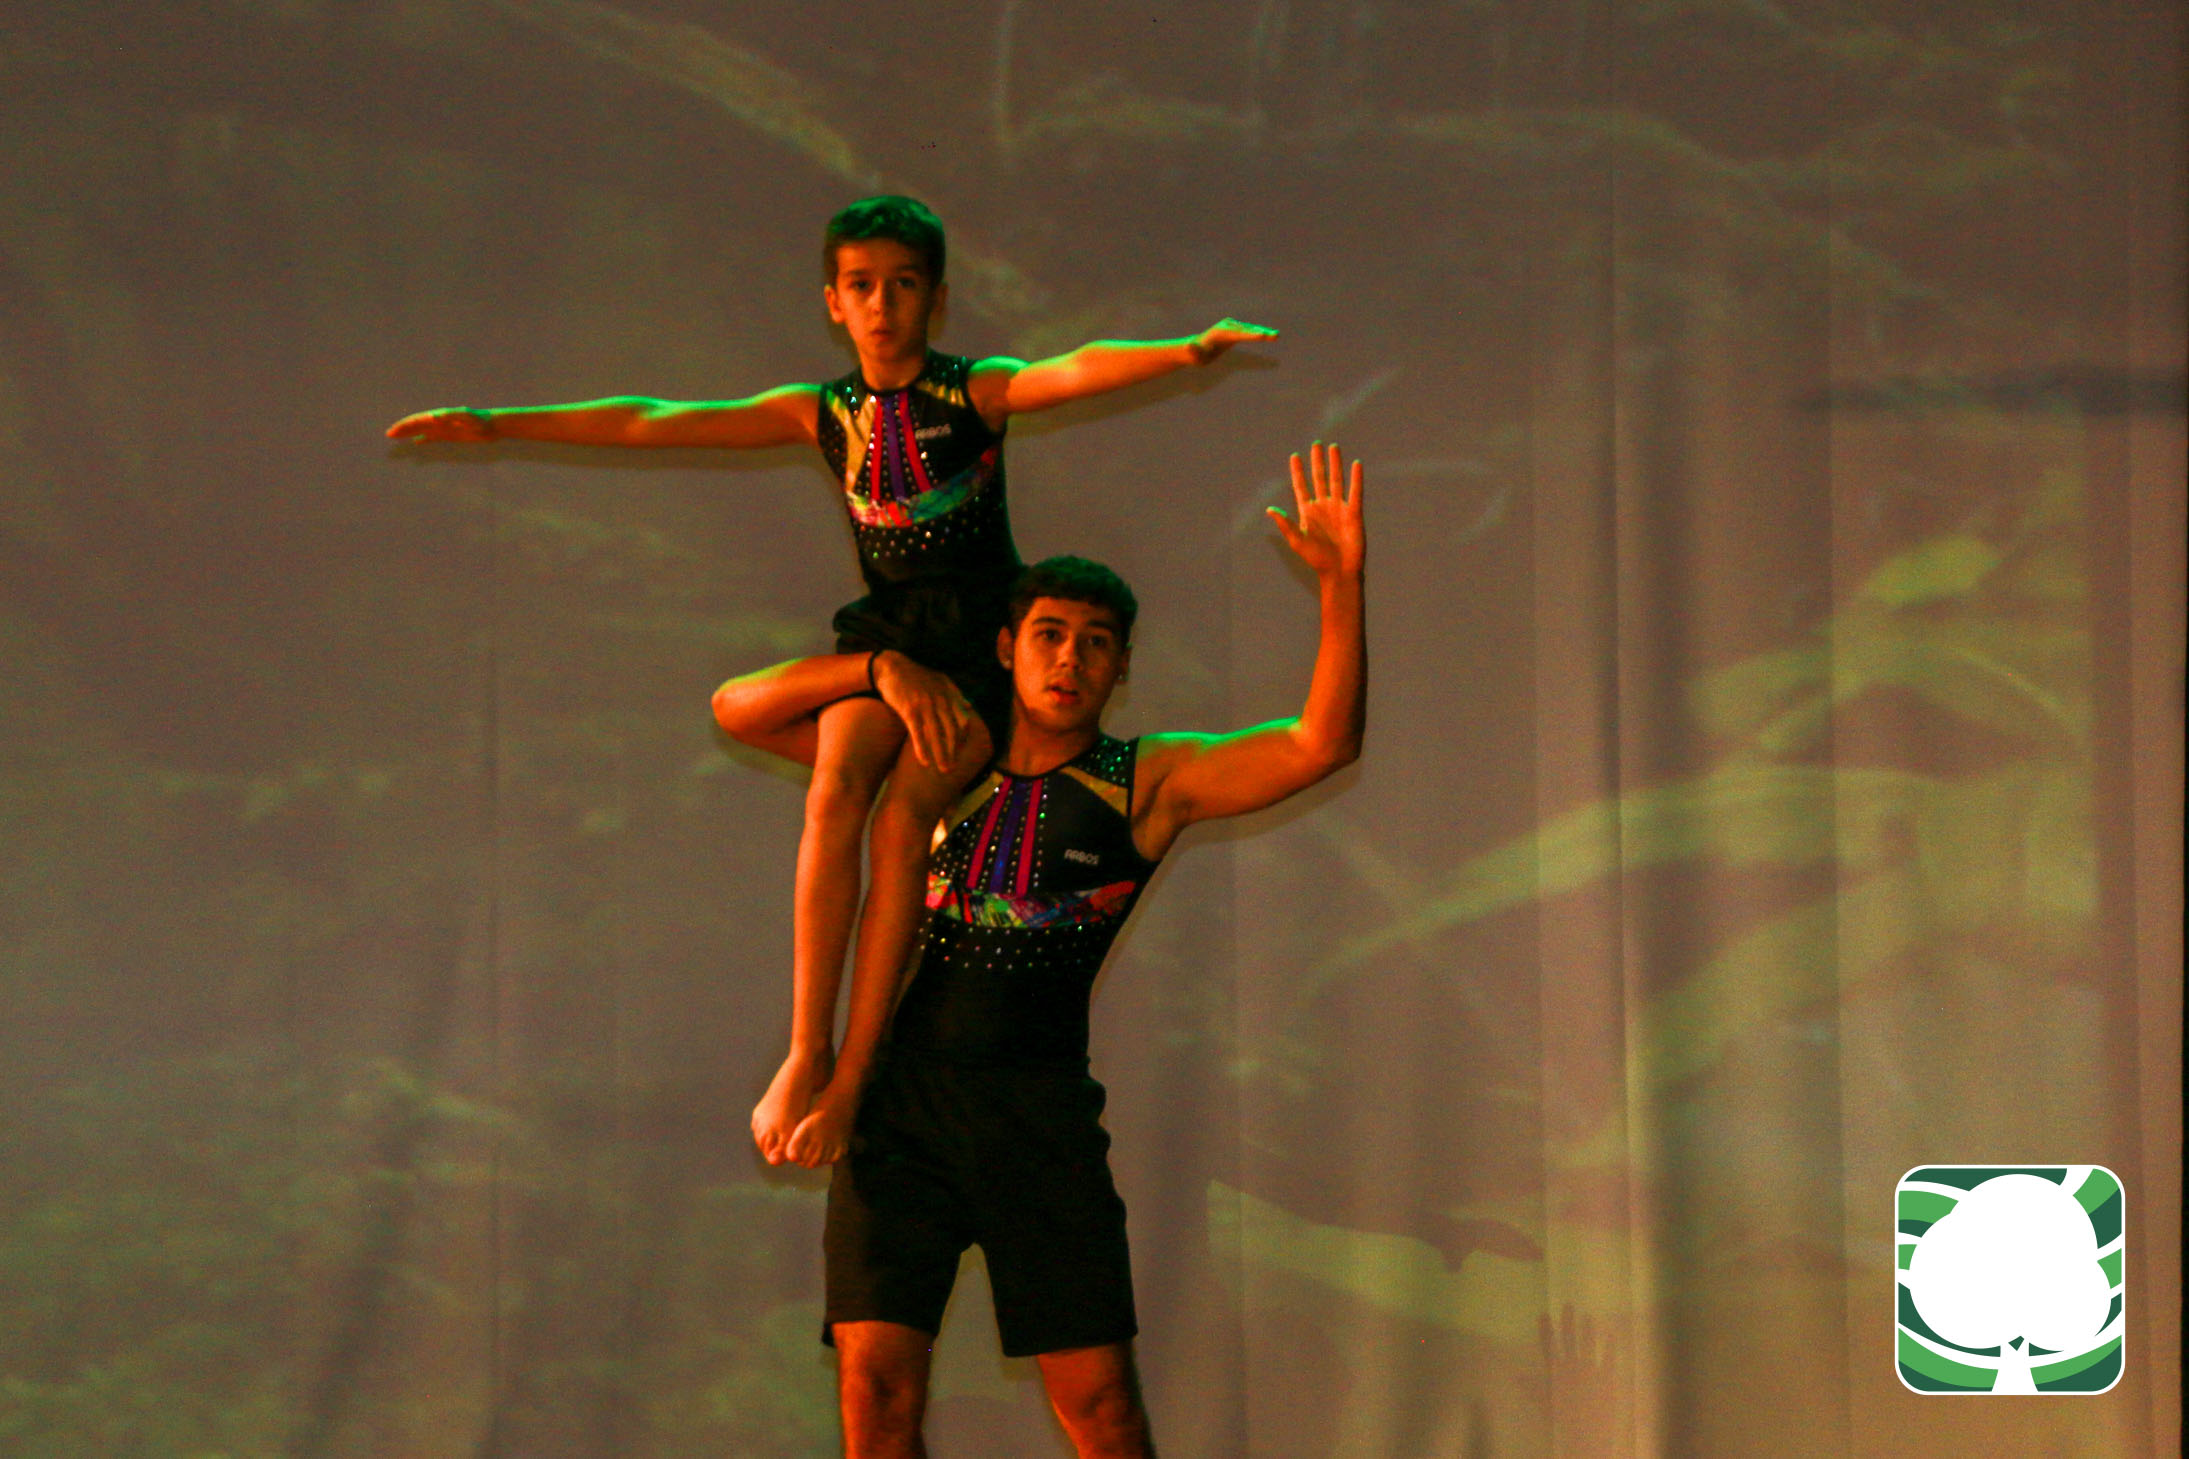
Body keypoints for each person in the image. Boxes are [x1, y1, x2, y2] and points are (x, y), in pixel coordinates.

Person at [384, 196, 1277, 1167]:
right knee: (835, 787)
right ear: (833, 302)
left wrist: (1185, 351)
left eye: (903, 285)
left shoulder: (971, 395)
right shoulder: (822, 413)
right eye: (862, 286)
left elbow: (1071, 369)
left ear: (935, 299)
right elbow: (652, 421)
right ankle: (805, 1046)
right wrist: (497, 423)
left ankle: (851, 1073)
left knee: (899, 822)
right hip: (885, 644)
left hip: (974, 653)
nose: (882, 305)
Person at [824, 442, 1366, 1458]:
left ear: (1120, 668)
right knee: (875, 1395)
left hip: (1038, 1123)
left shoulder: (1142, 782)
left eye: (1095, 644)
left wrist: (1339, 588)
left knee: (1103, 1412)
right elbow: (740, 706)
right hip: (902, 1116)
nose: (1069, 660)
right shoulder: (933, 760)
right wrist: (878, 667)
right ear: (1005, 648)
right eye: (1049, 636)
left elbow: (1317, 746)